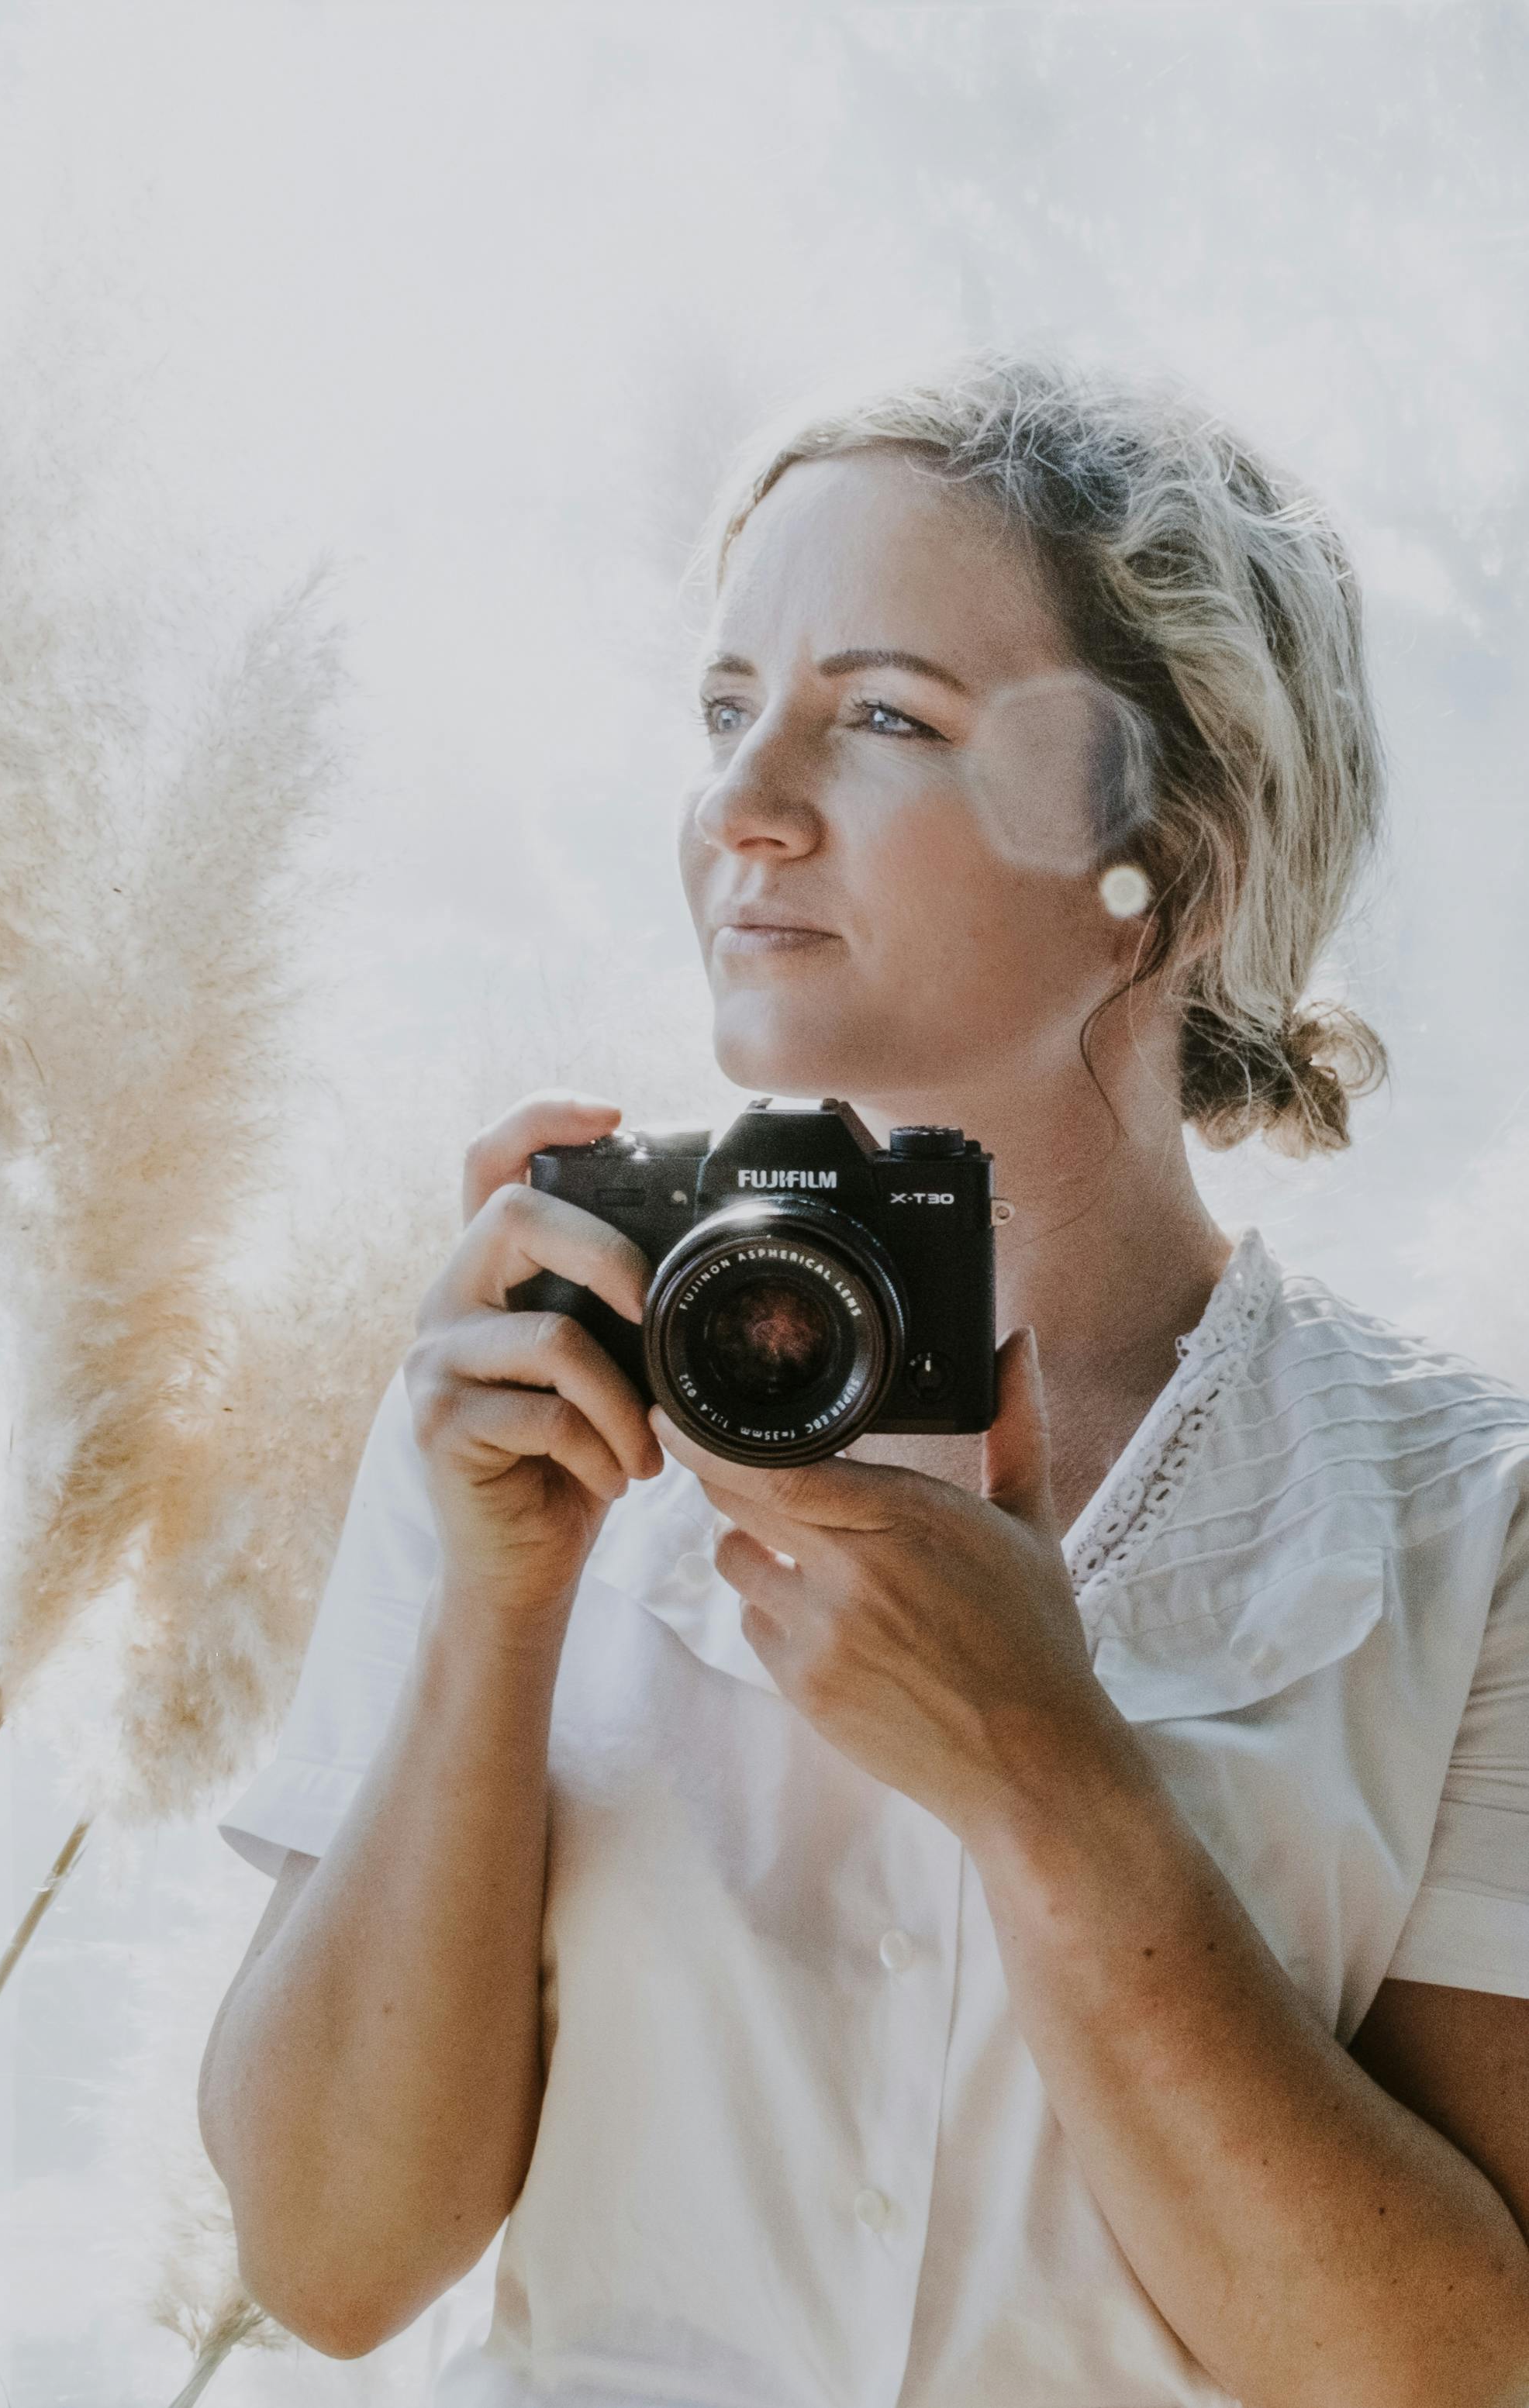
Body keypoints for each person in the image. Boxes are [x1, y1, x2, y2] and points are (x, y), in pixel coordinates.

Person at [197, 348, 1529, 2406]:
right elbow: (334, 2259)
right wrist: (501, 1609)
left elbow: (1454, 2370)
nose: (739, 803)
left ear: (1167, 859)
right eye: (727, 711)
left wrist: (1045, 1769)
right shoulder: (535, 1373)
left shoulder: (1474, 1528)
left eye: (881, 715)